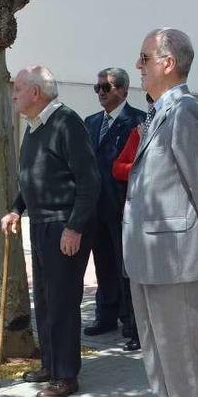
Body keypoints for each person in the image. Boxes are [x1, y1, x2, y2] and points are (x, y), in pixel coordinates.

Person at [123, 28, 198, 397]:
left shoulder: (186, 111)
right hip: (148, 251)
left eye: (144, 58)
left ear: (168, 63)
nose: (138, 66)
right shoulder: (160, 111)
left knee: (181, 344)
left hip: (175, 252)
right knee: (154, 342)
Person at [0, 65, 100, 397]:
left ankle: (66, 375)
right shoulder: (33, 126)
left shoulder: (66, 122)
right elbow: (32, 177)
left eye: (18, 88)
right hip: (41, 223)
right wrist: (16, 208)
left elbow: (89, 180)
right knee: (43, 299)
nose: (13, 93)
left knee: (62, 301)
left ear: (36, 93)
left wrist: (74, 226)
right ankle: (50, 364)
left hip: (63, 225)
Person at [83, 68, 146, 353]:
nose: (100, 93)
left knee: (126, 268)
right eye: (97, 88)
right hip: (96, 206)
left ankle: (132, 323)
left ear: (122, 89)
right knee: (103, 265)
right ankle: (106, 315)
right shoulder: (91, 122)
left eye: (105, 88)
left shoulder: (138, 121)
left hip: (124, 207)